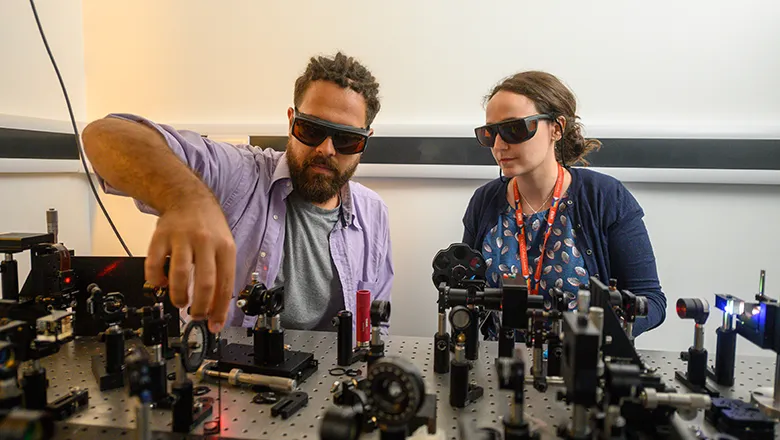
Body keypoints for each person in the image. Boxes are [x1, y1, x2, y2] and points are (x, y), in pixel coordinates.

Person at [82, 52, 393, 335]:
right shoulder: (239, 175)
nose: (325, 149)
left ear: (366, 141)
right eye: (311, 130)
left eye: (347, 139)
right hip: (225, 382)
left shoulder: (373, 214)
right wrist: (188, 197)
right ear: (291, 121)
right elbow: (103, 136)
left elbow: (376, 329)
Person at [462, 71, 665, 339]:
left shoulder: (605, 197)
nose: (499, 145)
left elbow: (651, 300)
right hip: (500, 366)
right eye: (490, 134)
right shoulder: (484, 202)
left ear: (556, 128)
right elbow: (466, 291)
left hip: (580, 367)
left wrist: (600, 333)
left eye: (514, 129)